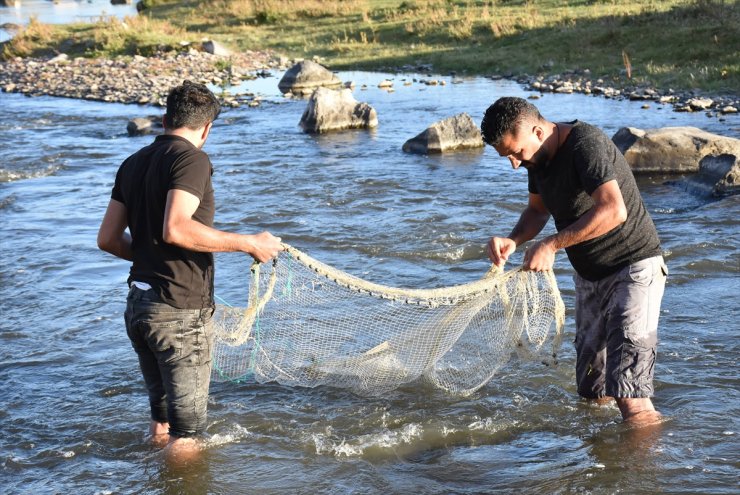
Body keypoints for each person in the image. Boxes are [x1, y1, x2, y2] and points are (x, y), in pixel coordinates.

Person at [97, 81, 283, 460]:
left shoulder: (132, 164)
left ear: (165, 120)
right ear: (206, 128)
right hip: (179, 312)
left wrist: (149, 259)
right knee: (188, 436)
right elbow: (176, 227)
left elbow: (108, 239)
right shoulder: (193, 159)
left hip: (139, 308)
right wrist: (250, 243)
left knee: (161, 423)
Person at [480, 97, 667, 426]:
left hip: (634, 269)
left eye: (516, 153)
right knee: (592, 392)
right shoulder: (537, 160)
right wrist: (513, 240)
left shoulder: (586, 144)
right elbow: (538, 210)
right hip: (589, 277)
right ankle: (600, 470)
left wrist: (551, 245)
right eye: (506, 156)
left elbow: (613, 210)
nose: (513, 163)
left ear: (538, 131)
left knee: (631, 396)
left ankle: (640, 477)